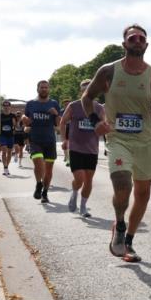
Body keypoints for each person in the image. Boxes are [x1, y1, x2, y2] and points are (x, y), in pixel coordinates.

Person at [82, 24, 151, 262]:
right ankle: (120, 225)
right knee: (123, 185)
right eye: (133, 38)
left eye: (142, 38)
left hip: (144, 140)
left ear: (146, 45)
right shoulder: (108, 71)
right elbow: (87, 97)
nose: (137, 41)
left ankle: (128, 241)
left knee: (143, 193)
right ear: (125, 44)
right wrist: (94, 122)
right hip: (117, 137)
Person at [60, 80, 104, 218]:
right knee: (79, 179)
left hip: (92, 149)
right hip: (76, 148)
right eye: (85, 89)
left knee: (89, 180)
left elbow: (104, 123)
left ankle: (83, 206)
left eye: (90, 89)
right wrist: (64, 140)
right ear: (81, 91)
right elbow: (62, 122)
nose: (87, 92)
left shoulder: (98, 108)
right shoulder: (74, 106)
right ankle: (74, 194)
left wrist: (104, 127)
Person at [22, 80, 61, 204]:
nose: (44, 89)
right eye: (42, 87)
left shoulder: (54, 103)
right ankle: (39, 184)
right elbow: (25, 118)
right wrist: (24, 119)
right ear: (37, 89)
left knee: (49, 170)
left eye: (46, 87)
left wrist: (56, 114)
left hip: (49, 140)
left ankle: (45, 192)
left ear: (49, 89)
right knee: (38, 164)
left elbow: (59, 123)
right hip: (35, 139)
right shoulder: (31, 104)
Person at [0, 100, 18, 176]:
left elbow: (16, 126)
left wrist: (14, 125)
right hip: (2, 136)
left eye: (7, 106)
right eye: (4, 106)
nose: (6, 107)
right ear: (2, 107)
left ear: (10, 107)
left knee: (9, 152)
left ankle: (7, 167)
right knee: (4, 151)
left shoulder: (13, 115)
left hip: (10, 136)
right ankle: (5, 167)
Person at [60, 98, 72, 167]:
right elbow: (60, 121)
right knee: (66, 144)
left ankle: (69, 159)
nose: (67, 105)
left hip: (72, 128)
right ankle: (67, 159)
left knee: (71, 145)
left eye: (68, 104)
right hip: (65, 128)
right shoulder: (61, 111)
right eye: (65, 104)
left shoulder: (74, 110)